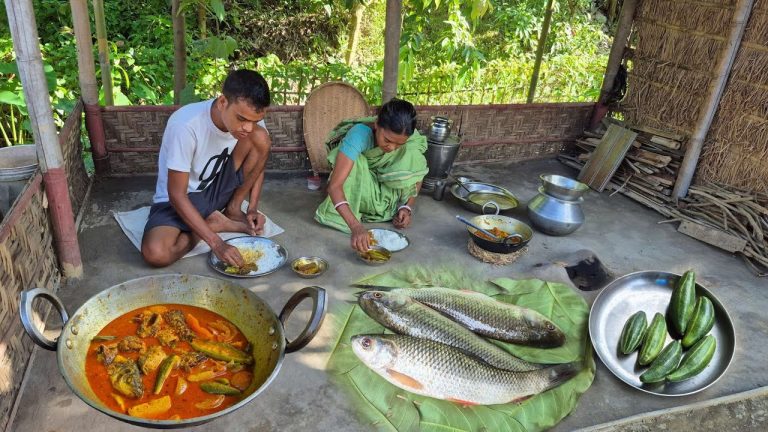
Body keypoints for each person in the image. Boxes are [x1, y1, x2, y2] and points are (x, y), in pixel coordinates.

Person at [141, 69, 271, 268]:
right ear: (222, 103)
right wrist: (216, 242)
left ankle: (233, 209)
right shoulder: (185, 126)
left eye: (254, 121)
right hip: (181, 199)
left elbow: (258, 161)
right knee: (156, 253)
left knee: (261, 138)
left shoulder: (249, 118)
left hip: (216, 189)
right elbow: (176, 195)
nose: (248, 127)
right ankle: (214, 224)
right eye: (242, 120)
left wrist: (252, 207)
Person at [314, 98, 428, 252]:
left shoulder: (411, 140)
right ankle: (358, 212)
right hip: (360, 193)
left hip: (389, 198)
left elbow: (416, 173)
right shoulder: (359, 135)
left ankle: (391, 207)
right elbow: (334, 187)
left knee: (412, 154)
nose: (392, 147)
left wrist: (406, 207)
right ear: (376, 124)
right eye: (387, 140)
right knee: (356, 162)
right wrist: (356, 226)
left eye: (399, 144)